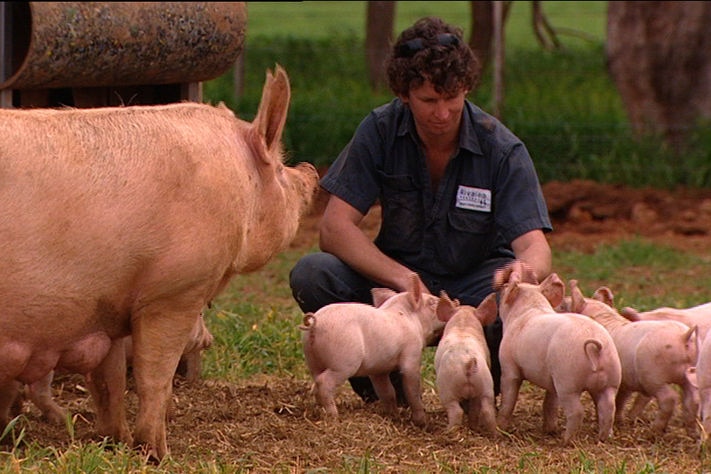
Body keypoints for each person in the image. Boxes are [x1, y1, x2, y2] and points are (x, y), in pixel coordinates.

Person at [289, 16, 552, 403]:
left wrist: (523, 271)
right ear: (404, 94)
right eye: (429, 100)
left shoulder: (501, 148)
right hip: (400, 287)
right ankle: (383, 389)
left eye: (452, 99)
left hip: (476, 282)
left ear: (466, 89)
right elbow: (334, 228)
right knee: (314, 274)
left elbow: (536, 248)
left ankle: (477, 392)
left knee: (517, 301)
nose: (442, 113)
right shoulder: (379, 130)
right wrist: (403, 280)